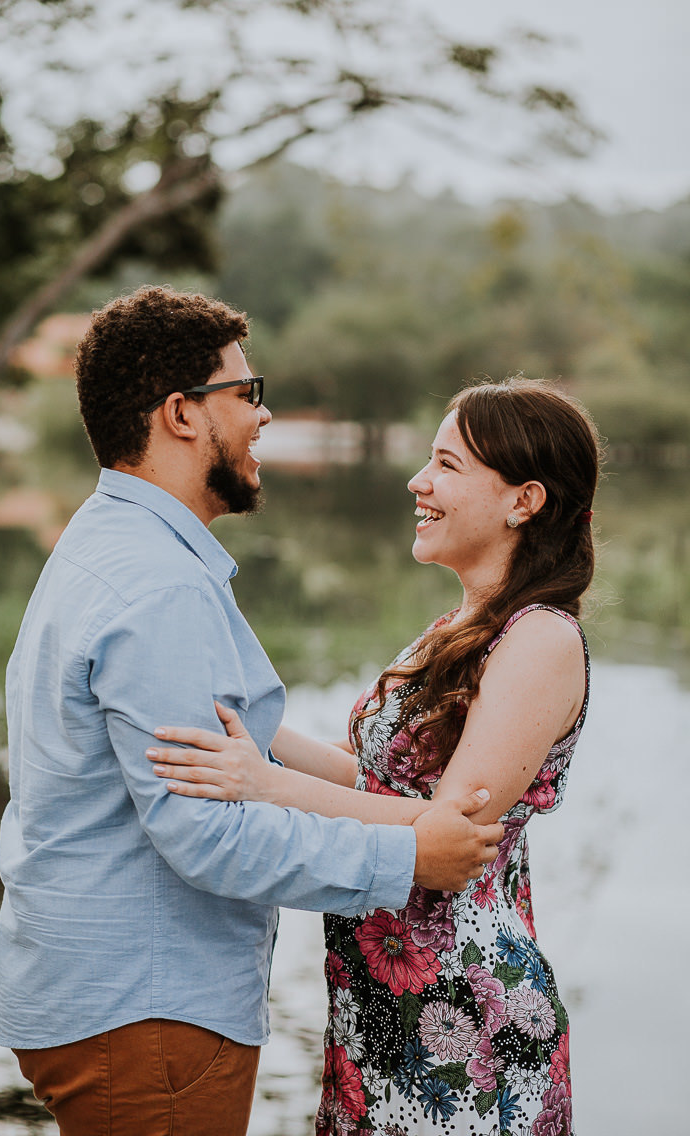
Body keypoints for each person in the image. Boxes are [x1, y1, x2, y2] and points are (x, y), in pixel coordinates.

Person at [0, 285, 503, 1136]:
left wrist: (377, 798)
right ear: (182, 415)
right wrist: (409, 857)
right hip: (145, 1009)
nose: (263, 417)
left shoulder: (109, 542)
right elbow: (208, 835)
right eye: (248, 394)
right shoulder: (156, 585)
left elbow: (234, 745)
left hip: (108, 994)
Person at [146, 376, 600, 1135]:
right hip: (379, 1001)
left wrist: (263, 784)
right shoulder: (456, 627)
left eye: (448, 466)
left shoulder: (541, 641)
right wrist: (237, 723)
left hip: (464, 1015)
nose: (417, 482)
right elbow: (374, 778)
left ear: (524, 500)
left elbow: (441, 830)